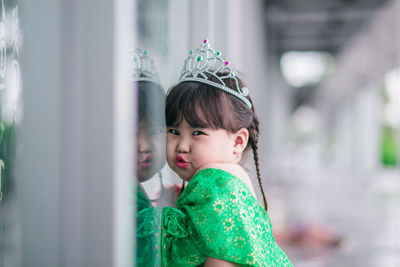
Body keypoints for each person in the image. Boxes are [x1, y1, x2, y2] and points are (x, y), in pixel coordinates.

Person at [161, 40, 293, 266]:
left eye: (197, 133)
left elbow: (221, 260)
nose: (182, 145)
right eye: (173, 131)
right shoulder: (231, 181)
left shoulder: (212, 180)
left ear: (238, 142)